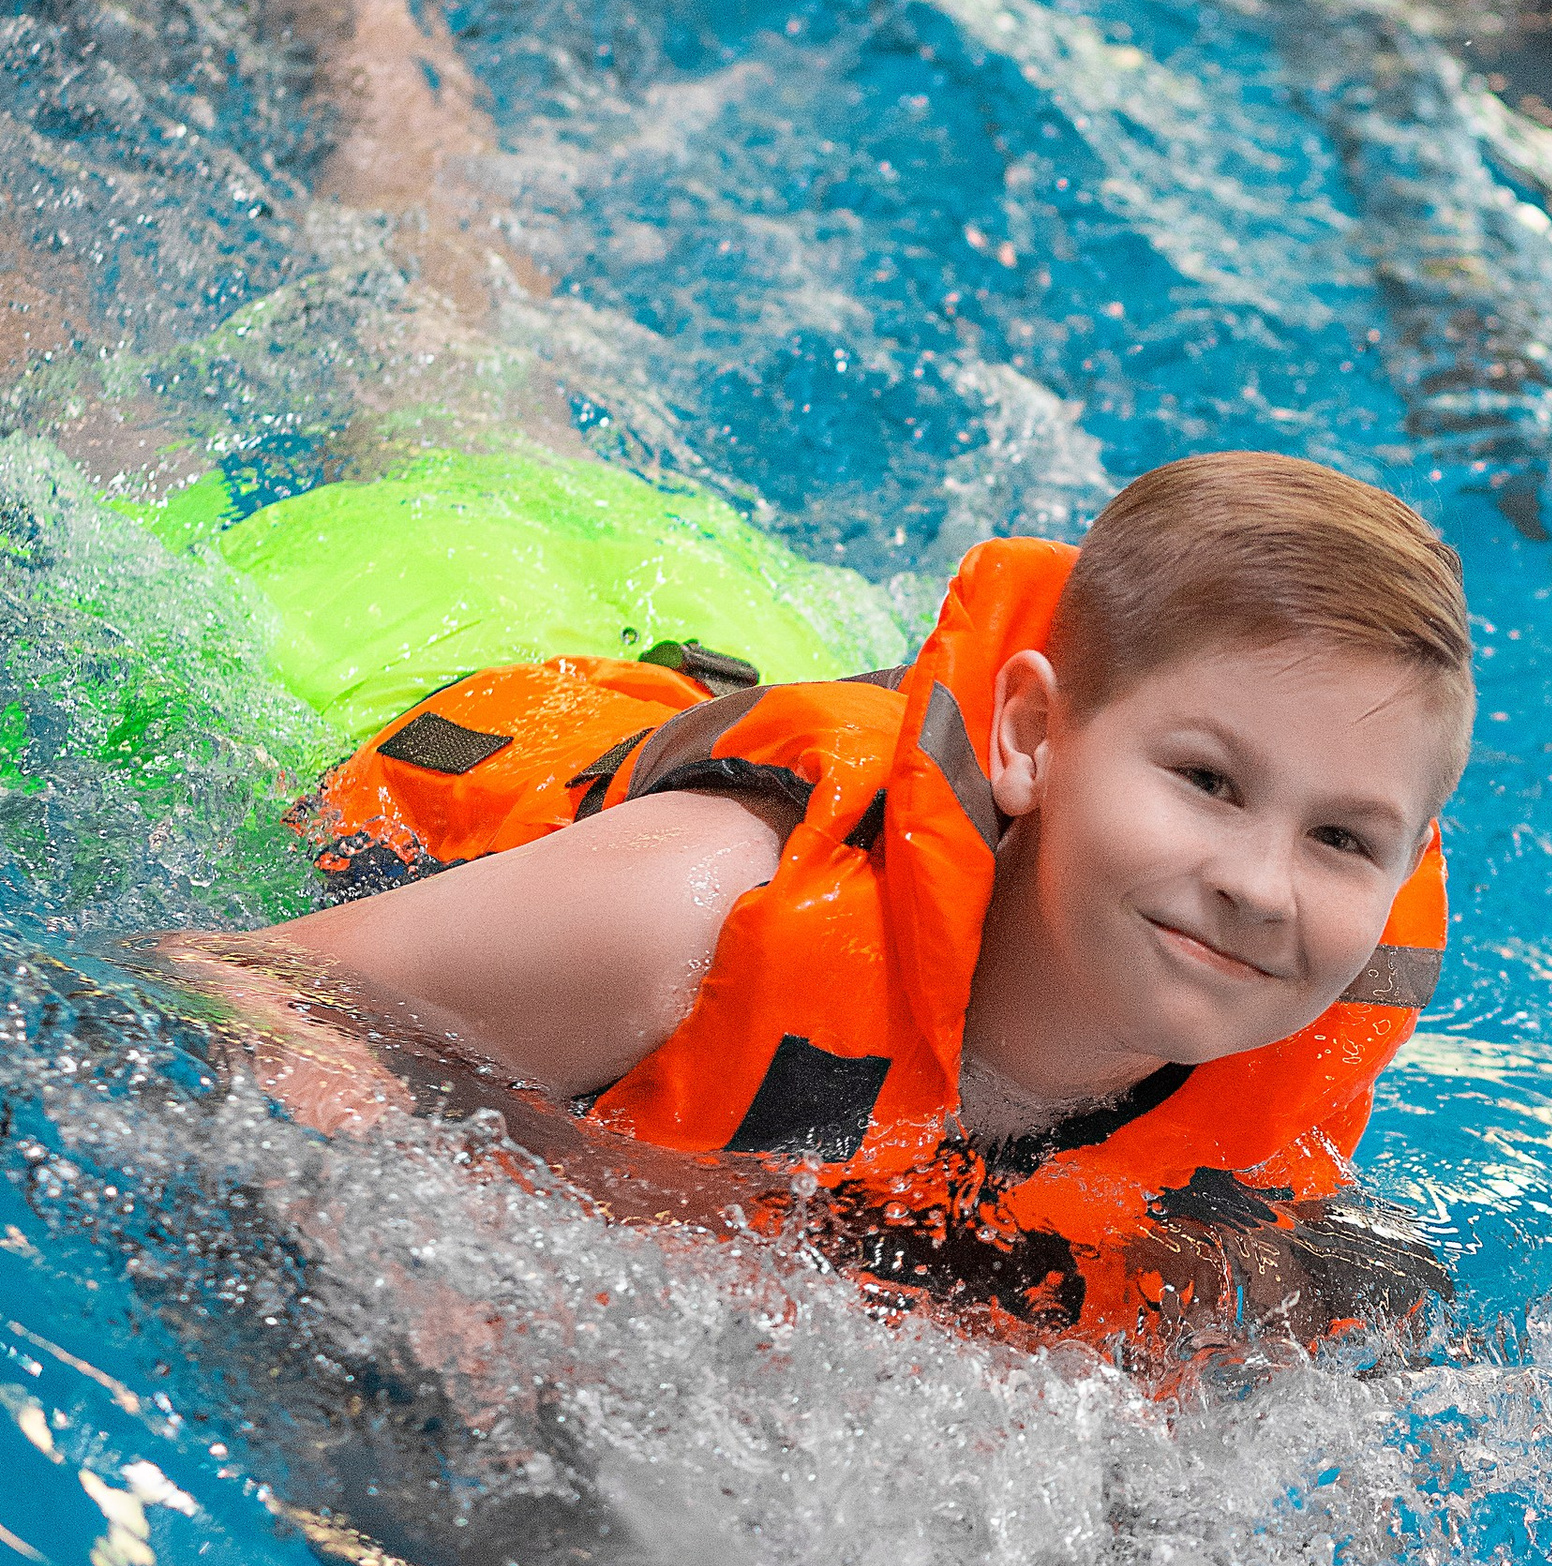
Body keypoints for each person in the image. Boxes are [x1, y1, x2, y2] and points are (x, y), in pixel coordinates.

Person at [167, 450, 1471, 1342]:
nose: (1259, 885)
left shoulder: (1261, 1153)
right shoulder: (683, 916)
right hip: (395, 628)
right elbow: (217, 980)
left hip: (728, 625)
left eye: (1345, 840)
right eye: (1206, 779)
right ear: (1026, 738)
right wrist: (376, 1228)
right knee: (137, 440)